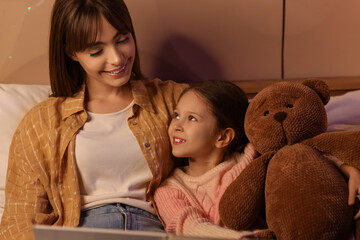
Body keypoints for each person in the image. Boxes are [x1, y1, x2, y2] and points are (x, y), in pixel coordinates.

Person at [0, 0, 187, 239]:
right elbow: (21, 218)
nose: (117, 58)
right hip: (84, 230)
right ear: (71, 52)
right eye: (97, 51)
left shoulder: (172, 101)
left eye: (122, 40)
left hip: (155, 228)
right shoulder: (43, 122)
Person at [153, 80, 360, 240]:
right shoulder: (169, 190)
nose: (176, 126)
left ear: (223, 137)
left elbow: (299, 155)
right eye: (176, 115)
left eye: (191, 118)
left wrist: (343, 167)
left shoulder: (252, 156)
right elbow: (190, 227)